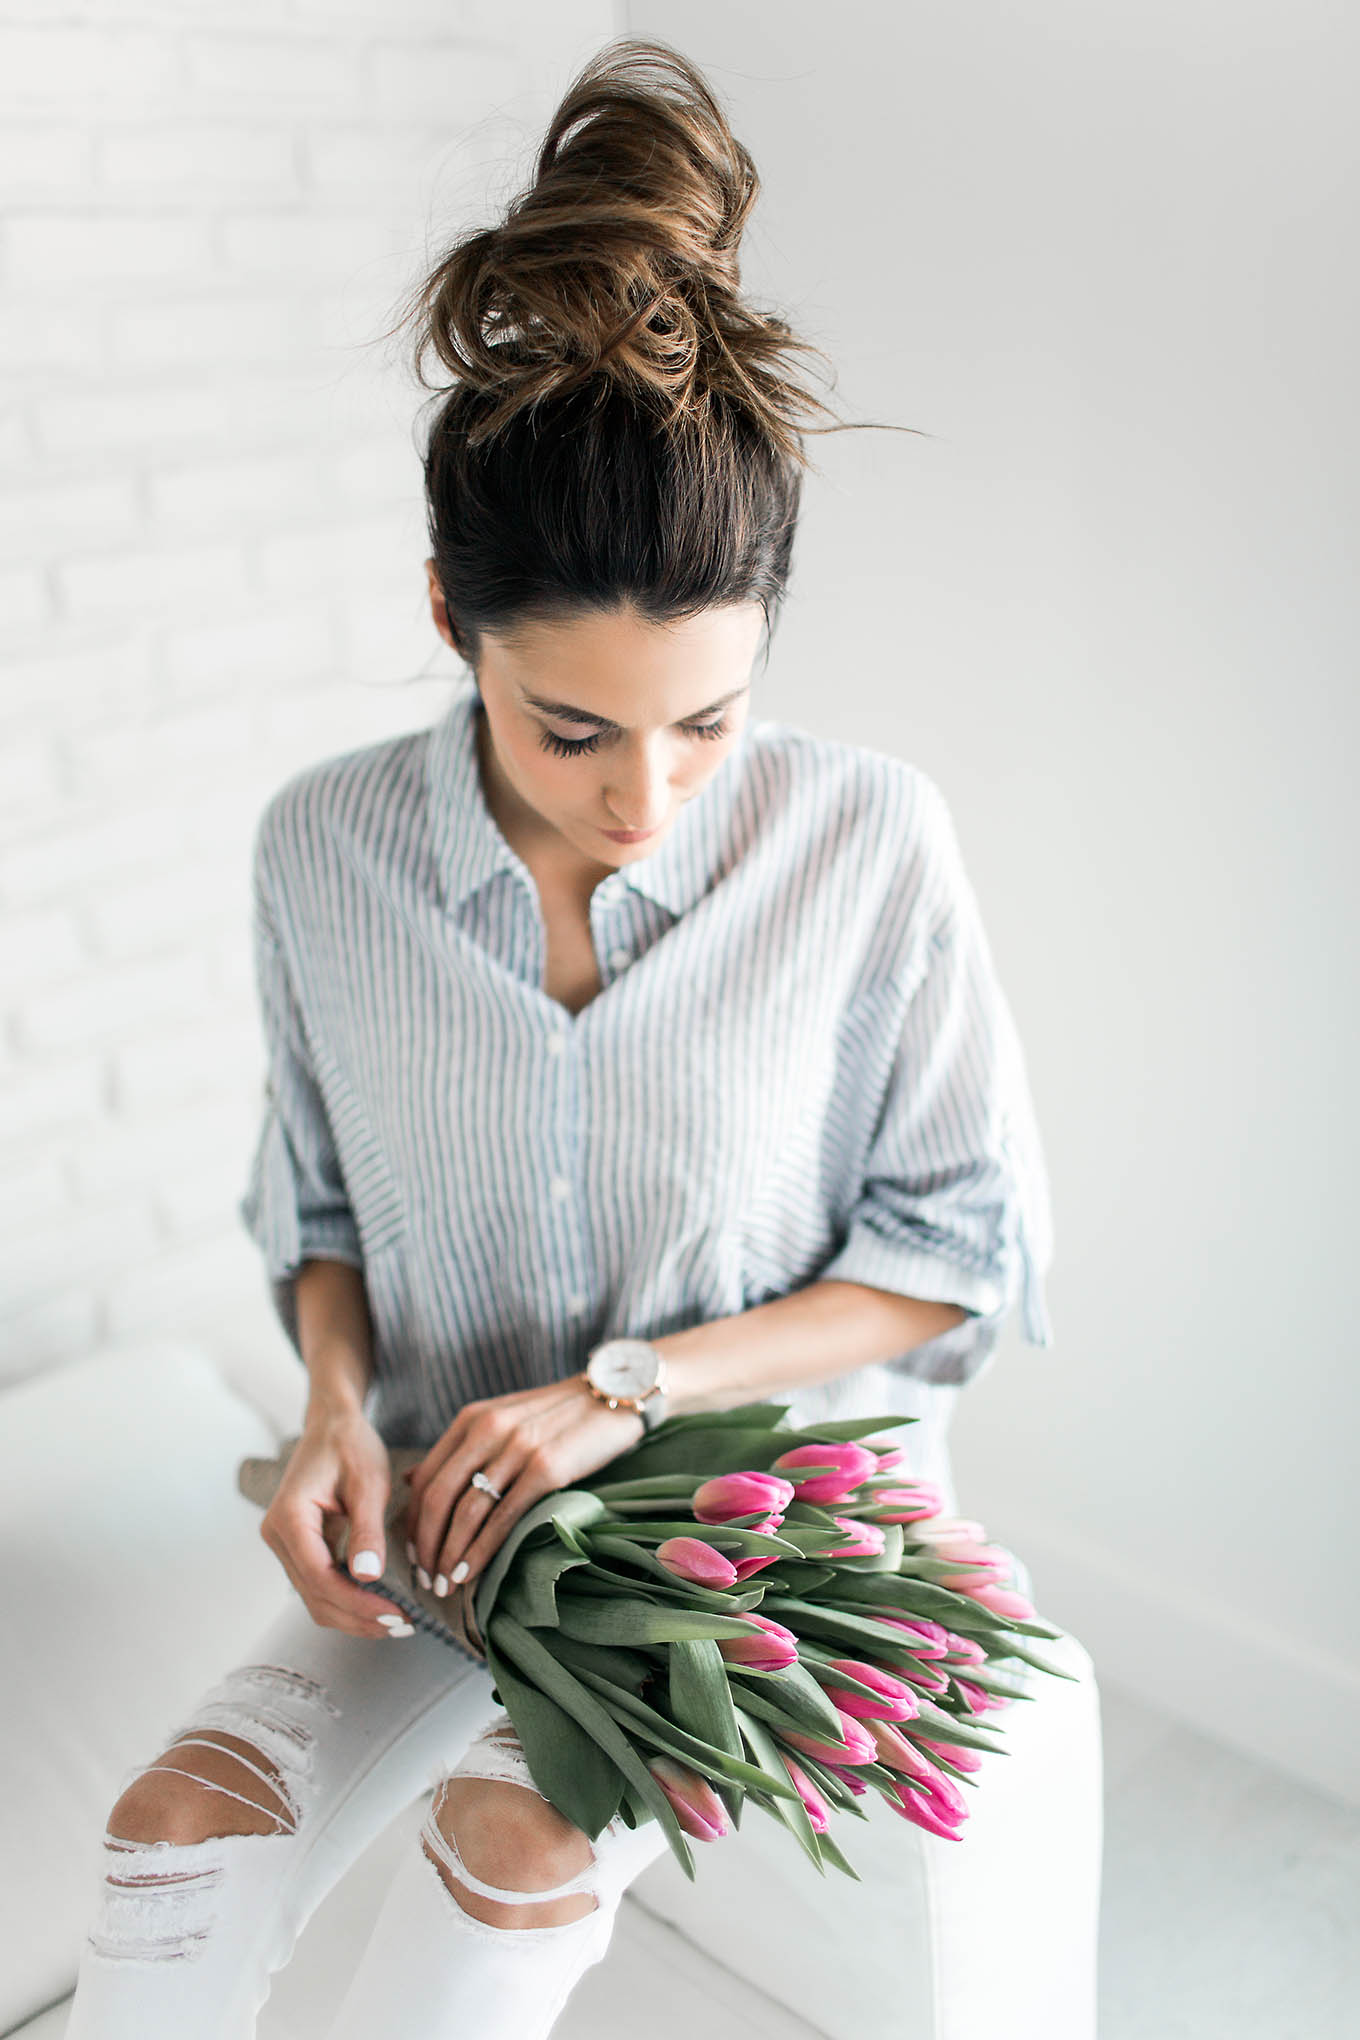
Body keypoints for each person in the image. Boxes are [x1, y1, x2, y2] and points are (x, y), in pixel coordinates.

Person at [64, 35, 1084, 2040]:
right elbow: (320, 1204)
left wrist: (622, 1388)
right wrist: (340, 1408)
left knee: (508, 1851)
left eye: (706, 723)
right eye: (572, 729)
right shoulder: (322, 850)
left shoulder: (866, 841)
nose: (646, 803)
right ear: (448, 618)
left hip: (734, 1523)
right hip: (438, 1515)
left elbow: (951, 1251)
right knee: (171, 1841)